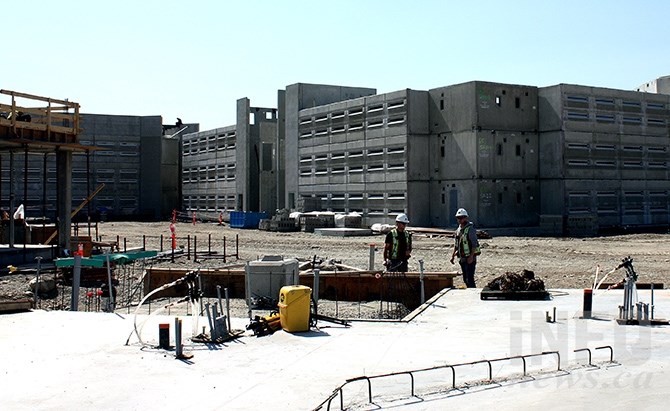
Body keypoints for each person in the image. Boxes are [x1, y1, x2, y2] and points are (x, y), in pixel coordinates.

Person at [450, 208, 480, 288]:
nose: (459, 219)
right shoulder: (459, 230)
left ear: (466, 218)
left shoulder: (470, 229)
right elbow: (456, 244)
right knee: (465, 278)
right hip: (462, 258)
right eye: (458, 218)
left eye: (461, 217)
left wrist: (471, 256)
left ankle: (473, 295)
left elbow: (474, 244)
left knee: (469, 279)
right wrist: (453, 256)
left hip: (470, 258)